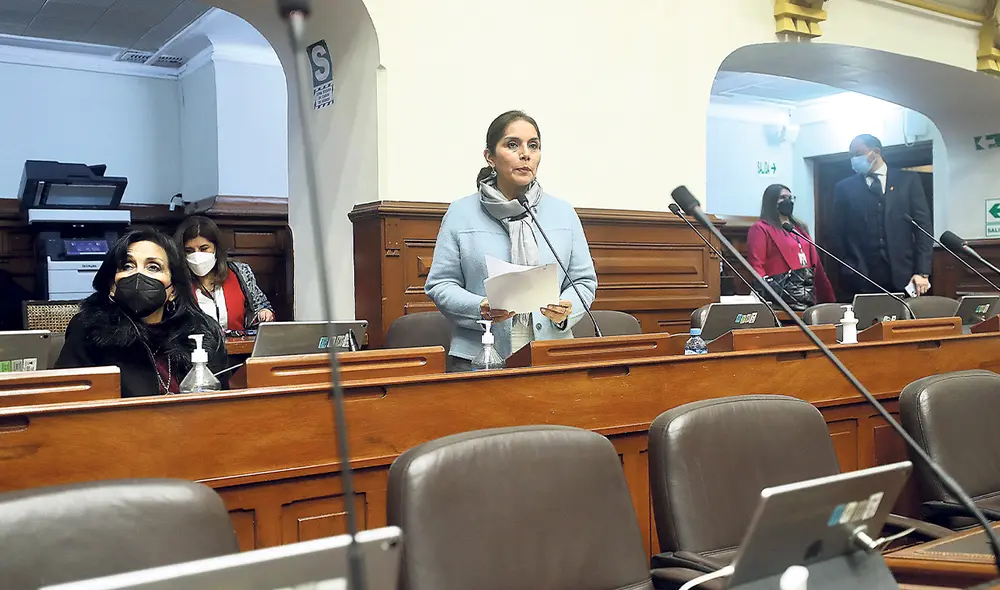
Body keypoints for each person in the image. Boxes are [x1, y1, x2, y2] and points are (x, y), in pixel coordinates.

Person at [425, 110, 598, 371]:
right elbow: (440, 284)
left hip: (552, 355)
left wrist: (567, 308)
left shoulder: (563, 213)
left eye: (534, 145)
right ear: (490, 157)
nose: (525, 154)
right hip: (481, 356)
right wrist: (479, 308)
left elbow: (584, 282)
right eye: (512, 144)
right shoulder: (461, 213)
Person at [56, 228, 228, 397]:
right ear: (112, 286)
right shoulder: (88, 330)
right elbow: (67, 404)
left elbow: (222, 406)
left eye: (153, 267)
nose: (138, 274)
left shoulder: (202, 332)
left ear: (173, 290)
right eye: (127, 266)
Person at [833, 134, 932, 297]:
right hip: (861, 277)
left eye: (858, 154)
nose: (854, 159)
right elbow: (837, 233)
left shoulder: (908, 181)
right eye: (851, 155)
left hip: (904, 275)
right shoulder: (844, 188)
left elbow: (923, 228)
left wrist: (922, 272)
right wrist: (848, 266)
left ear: (876, 152)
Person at [174, 216, 275, 332]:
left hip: (239, 346)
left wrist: (264, 313)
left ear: (216, 248)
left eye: (204, 249)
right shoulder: (177, 280)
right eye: (189, 251)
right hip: (196, 348)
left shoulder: (240, 272)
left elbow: (261, 306)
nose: (197, 256)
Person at [747, 184, 835, 310]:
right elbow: (756, 266)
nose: (788, 201)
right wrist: (770, 294)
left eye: (790, 197)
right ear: (771, 201)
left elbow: (816, 266)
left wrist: (828, 298)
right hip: (781, 297)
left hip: (806, 295)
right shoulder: (761, 228)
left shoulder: (800, 228)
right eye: (782, 197)